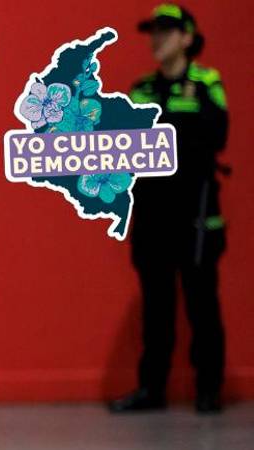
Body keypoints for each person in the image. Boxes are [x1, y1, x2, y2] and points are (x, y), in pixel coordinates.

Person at [110, 3, 230, 415]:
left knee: (202, 305)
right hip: (152, 217)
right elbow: (122, 143)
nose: (156, 39)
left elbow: (216, 133)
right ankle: (151, 389)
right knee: (156, 309)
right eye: (153, 31)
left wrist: (167, 134)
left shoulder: (208, 82)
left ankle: (208, 389)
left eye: (166, 31)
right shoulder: (140, 89)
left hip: (195, 218)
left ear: (186, 38)